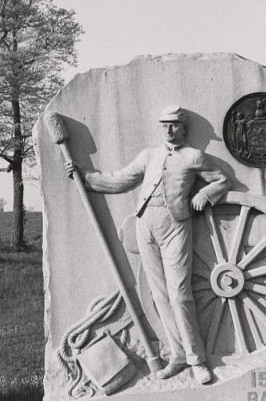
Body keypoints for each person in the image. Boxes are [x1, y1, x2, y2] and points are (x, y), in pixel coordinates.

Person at [66, 104, 231, 384]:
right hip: (145, 226)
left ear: (184, 128)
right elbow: (121, 180)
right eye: (164, 125)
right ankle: (177, 357)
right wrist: (86, 178)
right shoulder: (149, 156)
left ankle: (197, 360)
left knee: (180, 294)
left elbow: (222, 180)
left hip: (176, 225)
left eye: (174, 125)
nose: (168, 129)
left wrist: (206, 193)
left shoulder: (194, 156)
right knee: (159, 295)